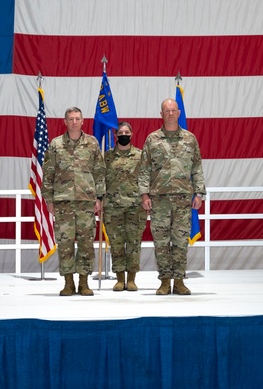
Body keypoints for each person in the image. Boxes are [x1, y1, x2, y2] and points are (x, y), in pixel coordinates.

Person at [138, 98, 205, 295]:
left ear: (178, 113)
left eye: (173, 110)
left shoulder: (189, 139)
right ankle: (165, 281)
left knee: (180, 241)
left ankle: (180, 280)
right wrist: (144, 195)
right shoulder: (152, 139)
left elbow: (197, 167)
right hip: (159, 199)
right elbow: (144, 170)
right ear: (161, 114)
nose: (170, 113)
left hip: (184, 199)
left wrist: (199, 192)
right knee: (161, 241)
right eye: (166, 110)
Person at [42, 106, 105, 296]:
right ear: (65, 121)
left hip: (86, 202)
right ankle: (68, 282)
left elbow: (100, 172)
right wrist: (49, 199)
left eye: (78, 119)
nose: (75, 122)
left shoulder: (92, 143)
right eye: (71, 119)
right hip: (63, 202)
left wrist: (99, 197)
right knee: (65, 243)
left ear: (83, 121)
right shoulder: (56, 144)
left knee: (86, 243)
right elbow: (48, 174)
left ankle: (84, 282)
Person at [102, 121, 146, 292]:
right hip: (113, 206)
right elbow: (100, 179)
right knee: (117, 243)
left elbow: (145, 178)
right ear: (115, 135)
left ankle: (132, 279)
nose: (123, 135)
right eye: (120, 132)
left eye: (127, 132)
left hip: (136, 206)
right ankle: (120, 278)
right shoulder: (107, 157)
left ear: (132, 134)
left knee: (134, 243)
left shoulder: (140, 155)